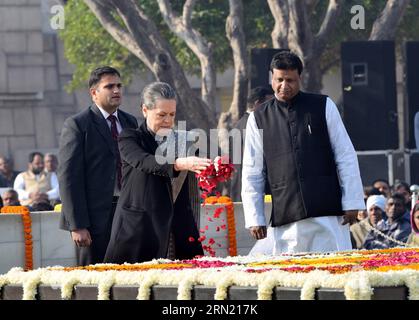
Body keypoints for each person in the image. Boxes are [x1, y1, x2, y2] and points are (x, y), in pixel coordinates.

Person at [242, 50, 365, 254]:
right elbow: (252, 171)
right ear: (271, 78)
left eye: (290, 80)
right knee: (293, 280)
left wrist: (352, 201)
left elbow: (345, 155)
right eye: (279, 79)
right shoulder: (258, 118)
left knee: (334, 275)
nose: (284, 85)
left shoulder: (323, 106)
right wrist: (255, 218)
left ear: (300, 78)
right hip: (286, 216)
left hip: (327, 214)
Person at [104, 82, 210, 264]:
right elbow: (145, 161)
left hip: (178, 228)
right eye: (161, 115)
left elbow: (200, 166)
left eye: (172, 115)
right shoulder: (130, 138)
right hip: (140, 228)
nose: (168, 120)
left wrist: (215, 166)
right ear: (145, 110)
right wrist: (178, 164)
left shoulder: (184, 141)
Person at [58, 66, 138, 266]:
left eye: (119, 85)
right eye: (109, 86)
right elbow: (69, 178)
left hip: (128, 213)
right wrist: (77, 225)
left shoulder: (130, 122)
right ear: (94, 93)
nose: (116, 90)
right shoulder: (78, 125)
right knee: (94, 283)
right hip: (93, 222)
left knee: (131, 277)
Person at [229, 86, 274, 202]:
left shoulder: (238, 126)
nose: (274, 108)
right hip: (255, 194)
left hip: (239, 191)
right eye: (271, 103)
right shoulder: (256, 127)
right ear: (258, 104)